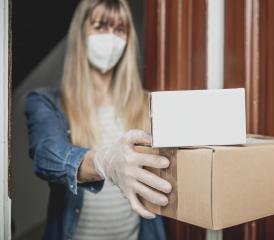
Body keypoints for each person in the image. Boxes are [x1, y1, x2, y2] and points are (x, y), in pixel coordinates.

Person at [24, 0, 172, 239]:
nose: (110, 38)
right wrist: (105, 162)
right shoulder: (46, 102)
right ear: (81, 33)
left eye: (119, 29)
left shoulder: (147, 104)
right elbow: (46, 154)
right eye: (101, 27)